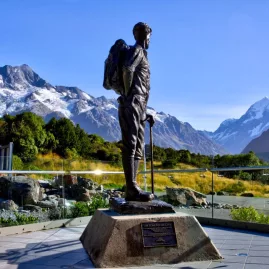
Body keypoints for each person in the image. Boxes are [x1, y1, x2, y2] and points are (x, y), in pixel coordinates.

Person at [117, 22, 155, 202]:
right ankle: (131, 187)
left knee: (138, 147)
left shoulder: (142, 53)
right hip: (133, 101)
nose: (149, 39)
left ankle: (133, 186)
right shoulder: (137, 51)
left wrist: (145, 112)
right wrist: (127, 93)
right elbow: (127, 69)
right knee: (131, 144)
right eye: (148, 36)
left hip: (140, 104)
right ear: (146, 35)